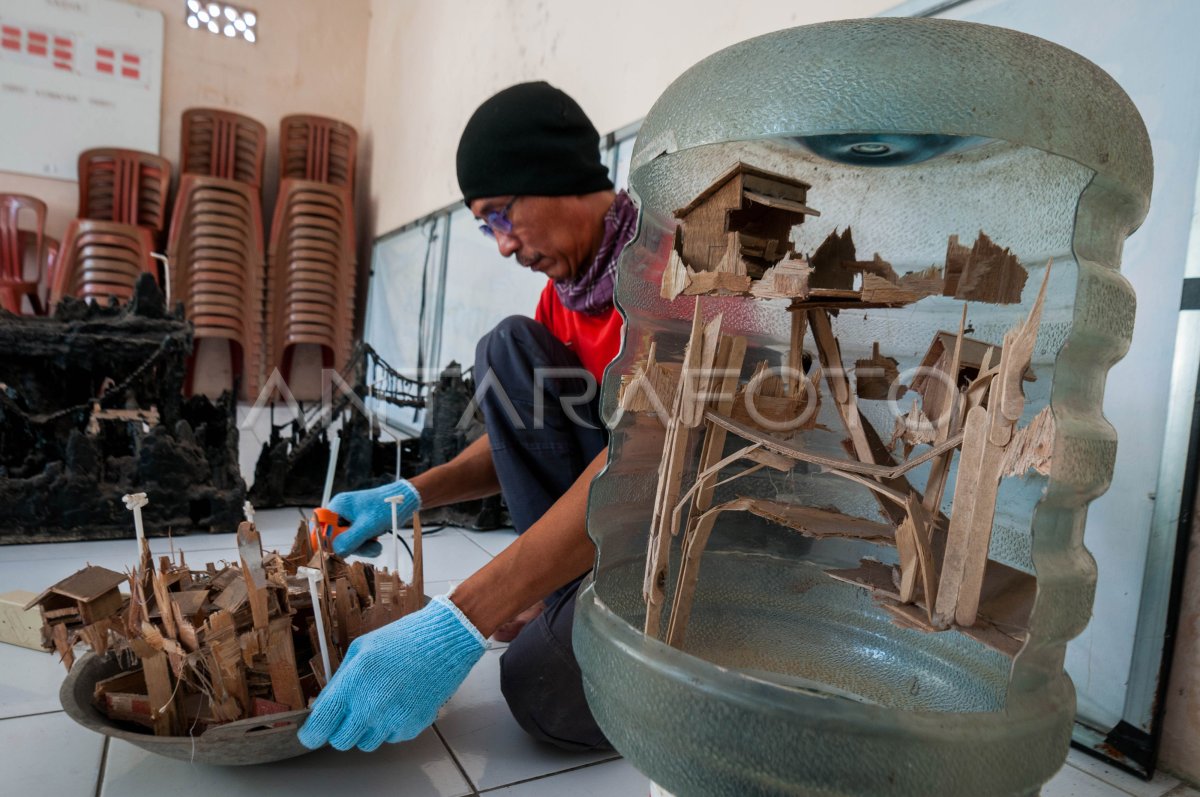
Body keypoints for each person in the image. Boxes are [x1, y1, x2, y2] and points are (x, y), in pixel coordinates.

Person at [298, 81, 638, 754]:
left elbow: (644, 463)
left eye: (500, 217)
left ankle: (609, 614)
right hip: (609, 526)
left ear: (554, 176)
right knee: (504, 348)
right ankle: (566, 588)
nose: (503, 247)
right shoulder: (564, 300)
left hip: (685, 539)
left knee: (537, 688)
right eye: (488, 228)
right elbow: (517, 440)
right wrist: (408, 495)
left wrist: (464, 614)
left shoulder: (671, 275)